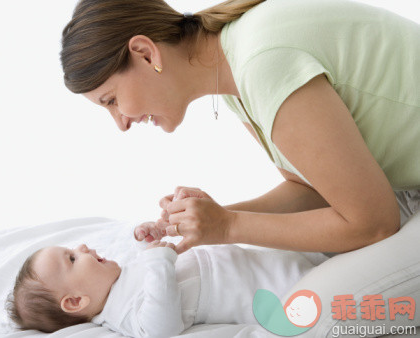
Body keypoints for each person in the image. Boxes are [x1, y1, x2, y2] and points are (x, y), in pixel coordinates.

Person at [60, 0, 420, 334]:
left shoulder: (262, 64)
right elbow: (310, 188)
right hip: (406, 192)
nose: (120, 123)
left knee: (301, 319)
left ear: (144, 52)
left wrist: (230, 226)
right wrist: (209, 220)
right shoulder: (234, 67)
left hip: (396, 202)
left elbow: (374, 224)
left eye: (111, 100)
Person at [5, 222, 329, 335]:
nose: (83, 247)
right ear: (76, 301)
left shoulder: (119, 279)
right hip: (266, 288)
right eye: (72, 258)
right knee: (316, 280)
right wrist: (159, 260)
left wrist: (149, 239)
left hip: (254, 261)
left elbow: (150, 263)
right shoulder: (121, 313)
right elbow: (161, 326)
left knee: (310, 253)